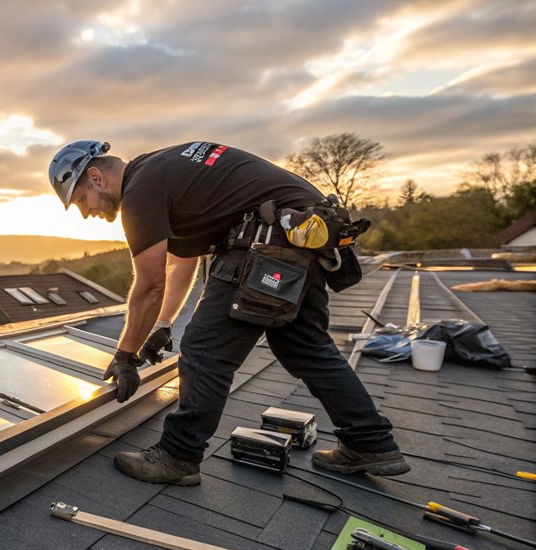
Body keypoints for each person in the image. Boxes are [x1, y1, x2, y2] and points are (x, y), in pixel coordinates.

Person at [47, 140, 409, 486]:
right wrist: (162, 324)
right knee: (305, 346)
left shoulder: (140, 193)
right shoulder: (162, 170)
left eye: (81, 199)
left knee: (205, 351)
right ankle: (370, 442)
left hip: (268, 240)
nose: (86, 212)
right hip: (304, 234)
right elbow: (181, 263)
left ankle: (178, 456)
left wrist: (125, 355)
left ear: (96, 177)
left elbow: (150, 283)